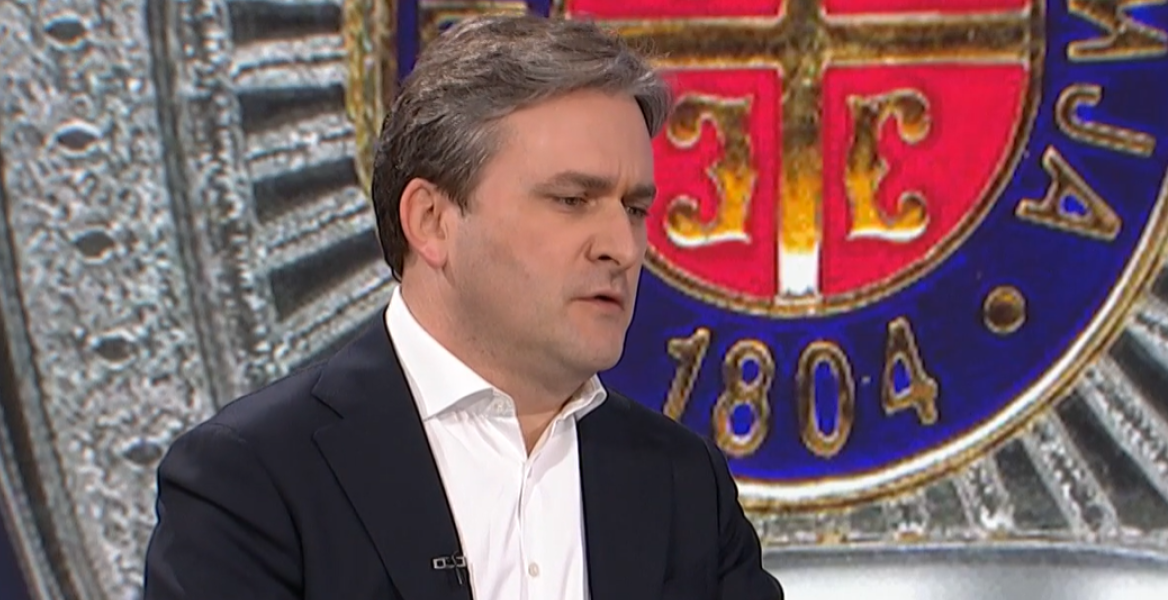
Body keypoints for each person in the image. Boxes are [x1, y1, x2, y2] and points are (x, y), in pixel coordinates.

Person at [142, 14, 784, 600]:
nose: (622, 246)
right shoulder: (253, 481)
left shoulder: (682, 483)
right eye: (571, 201)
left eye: (635, 209)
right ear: (432, 221)